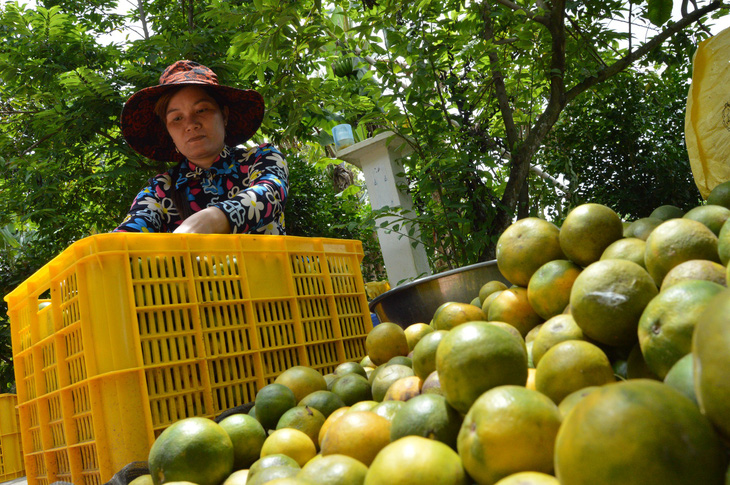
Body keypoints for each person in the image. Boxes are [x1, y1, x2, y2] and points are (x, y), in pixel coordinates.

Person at [115, 60, 288, 234]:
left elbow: (270, 193)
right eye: (177, 118)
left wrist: (213, 219)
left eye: (202, 110)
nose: (191, 124)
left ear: (224, 115)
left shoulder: (261, 158)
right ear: (168, 132)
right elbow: (134, 227)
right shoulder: (160, 189)